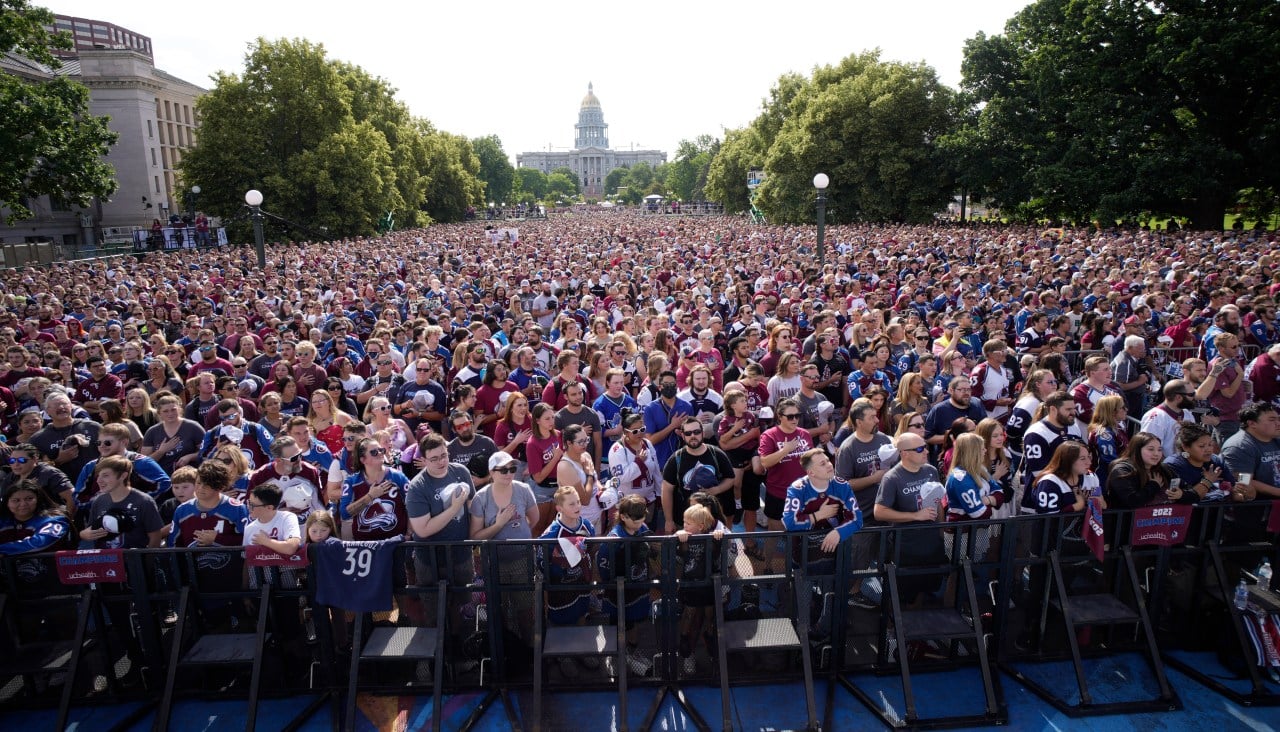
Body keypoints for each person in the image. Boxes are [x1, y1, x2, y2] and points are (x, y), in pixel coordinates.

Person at [405, 433, 474, 633]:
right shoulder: (418, 487)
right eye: (434, 458)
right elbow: (422, 529)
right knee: (434, 613)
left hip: (461, 554)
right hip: (430, 560)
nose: (441, 461)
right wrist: (453, 508)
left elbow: (473, 508)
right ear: (424, 460)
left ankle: (463, 651)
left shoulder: (461, 472)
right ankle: (437, 656)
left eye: (444, 455)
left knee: (463, 607)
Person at [469, 451, 539, 644]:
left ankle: (529, 650)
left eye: (512, 469)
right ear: (492, 472)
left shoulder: (523, 489)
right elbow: (474, 536)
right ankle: (503, 652)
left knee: (525, 609)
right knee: (498, 609)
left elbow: (534, 519)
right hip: (494, 562)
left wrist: (518, 531)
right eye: (503, 470)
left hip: (522, 559)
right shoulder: (481, 498)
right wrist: (499, 525)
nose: (509, 473)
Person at [598, 493, 658, 676]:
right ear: (623, 517)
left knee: (635, 622)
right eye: (636, 519)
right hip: (619, 591)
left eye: (643, 518)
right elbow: (602, 564)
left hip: (638, 587)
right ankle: (616, 657)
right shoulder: (614, 539)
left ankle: (631, 654)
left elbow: (654, 550)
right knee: (618, 624)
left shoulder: (642, 528)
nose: (640, 522)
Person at [662, 416, 735, 535]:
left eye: (696, 432)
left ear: (703, 432)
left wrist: (717, 489)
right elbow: (666, 490)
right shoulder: (676, 459)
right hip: (686, 523)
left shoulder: (716, 454)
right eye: (688, 433)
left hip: (714, 521)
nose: (693, 436)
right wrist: (669, 520)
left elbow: (731, 478)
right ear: (683, 435)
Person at [674, 503, 724, 674]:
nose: (684, 526)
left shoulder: (711, 537)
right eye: (684, 522)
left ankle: (711, 649)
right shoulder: (684, 538)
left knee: (711, 616)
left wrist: (718, 536)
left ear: (700, 526)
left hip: (708, 585)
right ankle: (686, 651)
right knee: (689, 616)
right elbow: (676, 547)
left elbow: (720, 549)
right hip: (690, 586)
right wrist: (679, 535)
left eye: (688, 523)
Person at [80, 455, 166, 549]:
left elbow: (155, 537)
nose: (99, 481)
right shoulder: (99, 501)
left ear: (123, 476)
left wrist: (146, 561)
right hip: (106, 560)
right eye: (98, 476)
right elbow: (90, 529)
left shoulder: (144, 501)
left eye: (105, 475)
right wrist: (83, 534)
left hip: (134, 561)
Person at [339, 437, 411, 541]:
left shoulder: (397, 477)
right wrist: (370, 496)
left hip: (396, 542)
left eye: (381, 450)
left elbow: (412, 506)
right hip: (365, 545)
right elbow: (345, 514)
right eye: (374, 452)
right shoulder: (352, 481)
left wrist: (408, 534)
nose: (380, 453)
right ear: (363, 460)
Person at [1163, 423, 1253, 503]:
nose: (1209, 449)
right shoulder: (1173, 465)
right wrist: (1208, 481)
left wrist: (1242, 493)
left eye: (1210, 444)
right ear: (1186, 447)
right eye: (1202, 446)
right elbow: (1186, 497)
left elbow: (1234, 490)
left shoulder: (1216, 461)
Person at [248, 435, 326, 520]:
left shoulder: (309, 471)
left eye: (300, 454)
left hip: (306, 528)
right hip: (272, 530)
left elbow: (318, 504)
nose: (299, 459)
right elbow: (251, 510)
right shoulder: (260, 477)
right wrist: (278, 513)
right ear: (278, 460)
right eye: (294, 458)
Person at [608, 412, 662, 525]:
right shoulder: (617, 450)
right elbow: (622, 478)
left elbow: (656, 471)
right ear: (626, 432)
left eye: (642, 429)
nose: (640, 433)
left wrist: (659, 494)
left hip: (648, 501)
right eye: (635, 431)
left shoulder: (647, 444)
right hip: (628, 506)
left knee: (649, 536)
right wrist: (638, 462)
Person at [556, 423, 606, 535]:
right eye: (580, 442)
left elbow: (594, 481)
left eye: (586, 440)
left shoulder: (586, 455)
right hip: (578, 523)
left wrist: (600, 487)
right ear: (568, 443)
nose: (585, 444)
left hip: (596, 515)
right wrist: (589, 475)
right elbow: (584, 500)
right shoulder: (565, 466)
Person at [0, 479, 72, 556]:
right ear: (6, 503)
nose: (23, 504)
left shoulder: (54, 520)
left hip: (50, 566)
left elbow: (40, 542)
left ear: (38, 499)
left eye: (29, 499)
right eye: (16, 500)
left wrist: (3, 549)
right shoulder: (3, 520)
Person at [0, 442, 74, 516]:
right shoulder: (10, 478)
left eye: (22, 460)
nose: (16, 464)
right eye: (12, 461)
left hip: (48, 519)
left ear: (35, 459)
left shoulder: (49, 473)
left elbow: (72, 497)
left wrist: (68, 520)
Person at [1139, 379, 1197, 458]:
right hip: (1163, 467)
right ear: (1178, 397)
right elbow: (1150, 450)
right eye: (1191, 394)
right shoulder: (1155, 418)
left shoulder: (1187, 414)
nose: (1194, 397)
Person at [923, 378, 987, 447]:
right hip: (950, 454)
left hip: (976, 452)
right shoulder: (939, 410)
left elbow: (986, 429)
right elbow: (928, 438)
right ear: (951, 390)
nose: (966, 392)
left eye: (968, 389)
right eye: (962, 389)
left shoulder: (977, 404)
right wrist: (954, 436)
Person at [1085, 394, 1129, 492]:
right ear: (1112, 411)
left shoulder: (1117, 428)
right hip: (1104, 481)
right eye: (1122, 407)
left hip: (1115, 477)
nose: (1126, 410)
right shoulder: (1104, 434)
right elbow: (1110, 461)